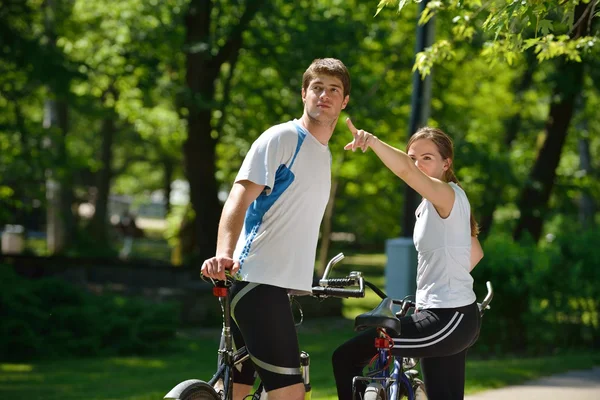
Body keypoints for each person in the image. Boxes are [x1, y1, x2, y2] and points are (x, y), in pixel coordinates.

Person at [201, 58, 351, 400]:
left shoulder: (323, 153)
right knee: (289, 393)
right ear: (303, 94)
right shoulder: (284, 138)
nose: (324, 96)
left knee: (235, 388)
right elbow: (239, 198)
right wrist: (224, 254)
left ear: (344, 102)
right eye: (317, 88)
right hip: (256, 280)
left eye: (333, 90)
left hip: (274, 286)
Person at [332, 121, 484, 400]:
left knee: (345, 357)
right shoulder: (435, 203)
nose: (417, 165)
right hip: (450, 315)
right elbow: (475, 253)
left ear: (446, 163)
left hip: (447, 318)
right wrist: (436, 288)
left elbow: (403, 170)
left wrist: (373, 141)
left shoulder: (445, 193)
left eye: (427, 158)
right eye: (413, 157)